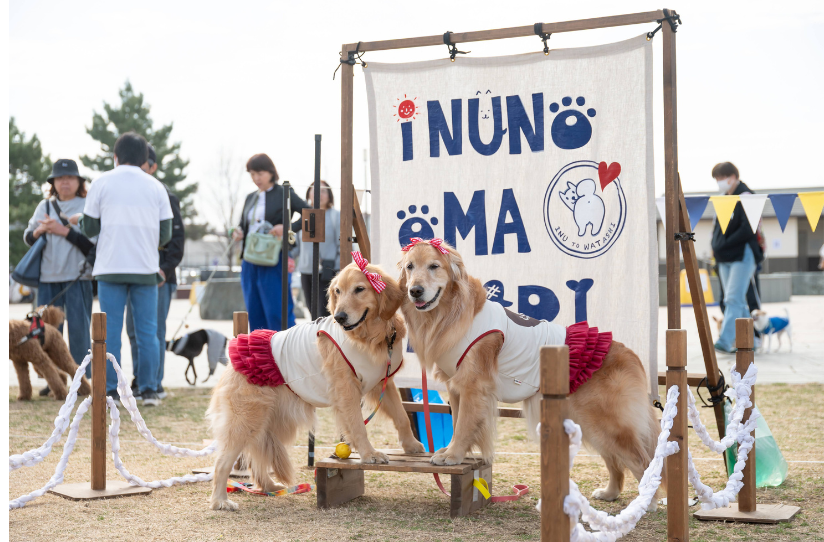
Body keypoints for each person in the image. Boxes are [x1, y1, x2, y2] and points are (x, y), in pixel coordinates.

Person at [80, 132, 173, 406]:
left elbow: (89, 227)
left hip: (110, 268)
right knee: (148, 333)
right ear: (146, 159)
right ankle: (149, 390)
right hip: (145, 269)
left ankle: (110, 390)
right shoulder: (157, 187)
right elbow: (166, 233)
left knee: (109, 333)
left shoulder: (101, 183)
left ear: (115, 157)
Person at [23, 159, 95, 387]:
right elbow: (28, 237)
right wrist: (39, 231)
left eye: (70, 177)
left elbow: (93, 246)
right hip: (47, 278)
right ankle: (53, 381)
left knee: (79, 332)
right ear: (53, 182)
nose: (65, 182)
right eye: (60, 178)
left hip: (78, 279)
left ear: (78, 181)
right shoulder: (44, 206)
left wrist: (63, 231)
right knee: (46, 334)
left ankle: (82, 380)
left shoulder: (88, 205)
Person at [125, 144, 185, 399]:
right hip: (133, 274)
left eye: (144, 164)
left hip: (159, 277)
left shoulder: (164, 195)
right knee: (133, 330)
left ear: (153, 166)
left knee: (154, 330)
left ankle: (154, 383)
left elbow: (178, 239)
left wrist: (164, 269)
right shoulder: (128, 196)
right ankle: (140, 379)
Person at [232, 153, 308, 331]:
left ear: (271, 172)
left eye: (259, 173)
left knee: (277, 311)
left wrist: (288, 227)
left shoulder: (284, 192)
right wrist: (238, 231)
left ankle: (286, 354)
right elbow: (243, 225)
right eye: (252, 174)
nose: (255, 178)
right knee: (254, 311)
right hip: (250, 260)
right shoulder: (250, 197)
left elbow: (309, 211)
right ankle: (261, 356)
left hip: (275, 258)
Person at [710, 162, 764, 354]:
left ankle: (724, 341)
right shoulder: (723, 200)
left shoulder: (747, 197)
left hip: (743, 254)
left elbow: (747, 229)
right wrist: (715, 248)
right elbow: (717, 229)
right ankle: (750, 340)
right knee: (736, 301)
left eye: (721, 178)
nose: (719, 183)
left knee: (733, 298)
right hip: (724, 257)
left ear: (732, 177)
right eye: (716, 179)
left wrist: (723, 244)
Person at [296, 181, 340, 319]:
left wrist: (335, 265)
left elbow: (343, 244)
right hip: (306, 270)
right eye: (314, 190)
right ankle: (317, 339)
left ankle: (328, 340)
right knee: (312, 313)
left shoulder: (335, 216)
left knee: (325, 312)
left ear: (329, 195)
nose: (318, 194)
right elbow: (296, 246)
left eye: (323, 191)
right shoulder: (304, 216)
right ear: (308, 193)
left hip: (327, 271)